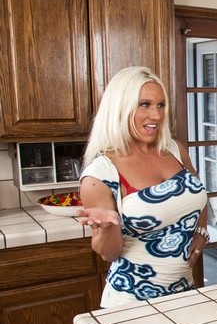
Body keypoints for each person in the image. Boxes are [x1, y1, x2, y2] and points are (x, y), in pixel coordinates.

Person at [77, 66, 209, 308]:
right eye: (144, 105)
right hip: (132, 304)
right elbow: (109, 254)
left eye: (160, 105)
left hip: (184, 292)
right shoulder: (100, 175)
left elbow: (198, 194)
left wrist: (201, 232)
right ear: (120, 108)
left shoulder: (174, 150)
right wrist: (108, 227)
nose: (156, 115)